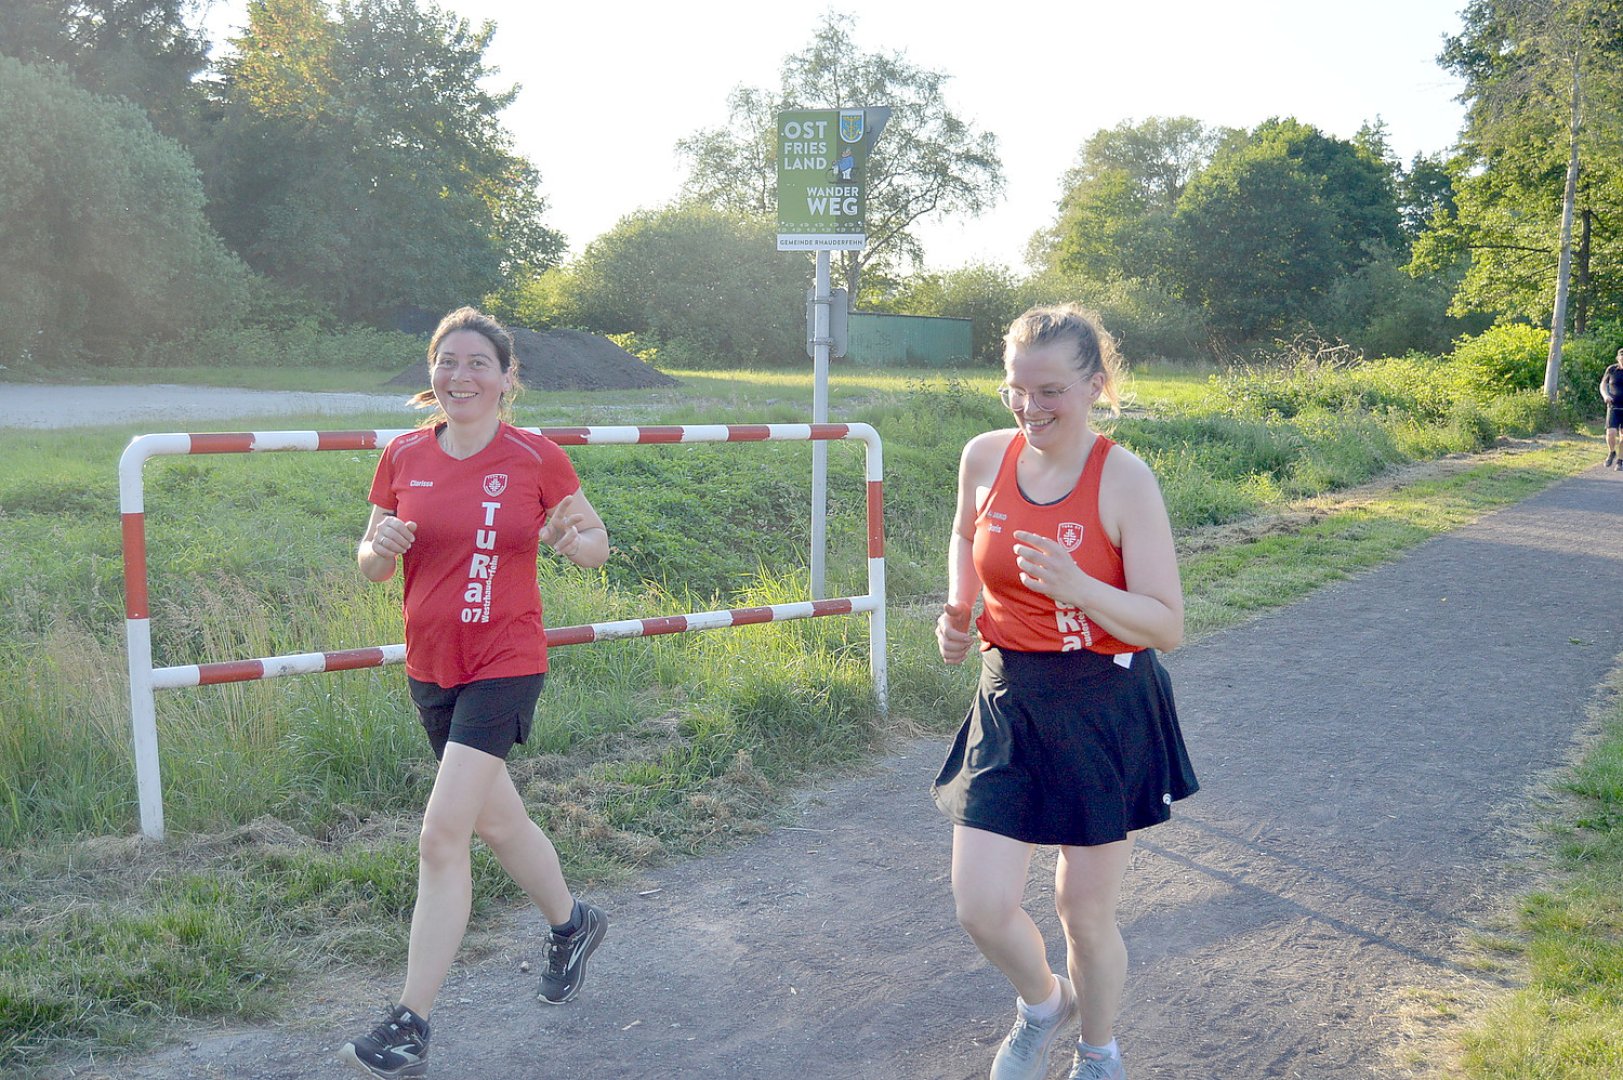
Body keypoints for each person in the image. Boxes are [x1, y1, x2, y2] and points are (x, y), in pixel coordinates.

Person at [340, 307, 611, 1079]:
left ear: (505, 377)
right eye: (446, 363)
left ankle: (409, 1024)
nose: (460, 377)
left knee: (441, 835)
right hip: (431, 665)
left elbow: (594, 543)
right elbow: (371, 560)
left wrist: (572, 541)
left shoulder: (534, 457)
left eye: (477, 364)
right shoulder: (401, 456)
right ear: (431, 375)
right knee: (496, 820)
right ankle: (572, 921)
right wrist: (376, 547)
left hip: (505, 657)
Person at [932, 304, 1199, 1080]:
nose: (1029, 407)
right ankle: (1043, 1004)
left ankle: (1098, 1052)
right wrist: (958, 609)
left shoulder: (1122, 477)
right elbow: (962, 533)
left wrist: (1080, 587)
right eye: (1017, 388)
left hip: (1101, 704)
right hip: (1008, 694)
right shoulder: (984, 456)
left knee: (1081, 912)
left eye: (1050, 390)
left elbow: (1166, 625)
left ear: (1094, 385)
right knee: (979, 905)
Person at [1601, 348, 1623, 470]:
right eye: (1622, 359)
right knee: (1611, 433)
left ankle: (1620, 460)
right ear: (1618, 359)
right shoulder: (1611, 369)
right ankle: (1611, 452)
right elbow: (1603, 384)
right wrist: (1605, 395)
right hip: (1614, 406)